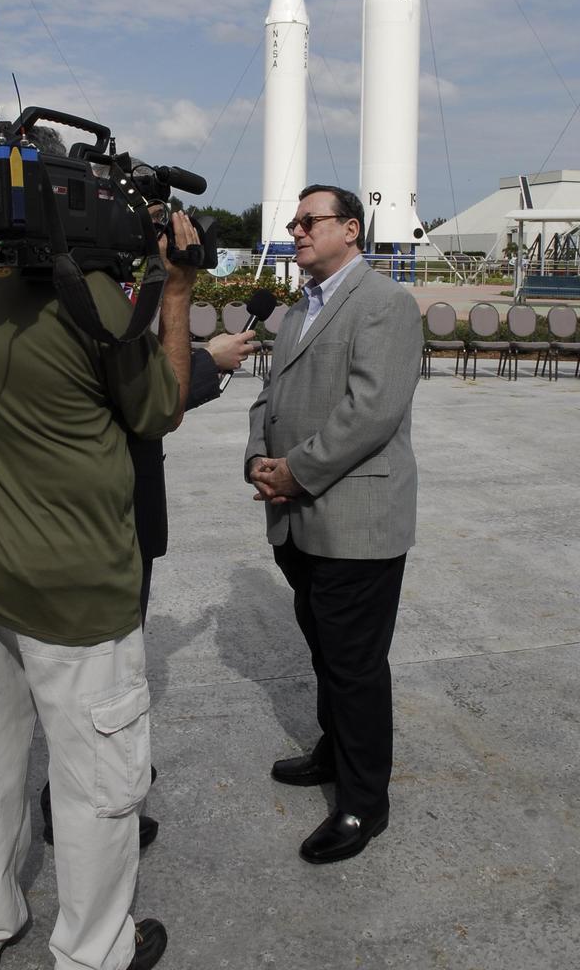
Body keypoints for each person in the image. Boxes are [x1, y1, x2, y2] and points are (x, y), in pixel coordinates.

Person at [0, 146, 201, 970]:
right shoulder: (102, 310)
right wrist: (174, 289)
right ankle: (93, 951)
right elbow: (164, 407)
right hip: (77, 594)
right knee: (96, 789)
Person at [245, 184, 422, 865]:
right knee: (324, 650)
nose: (294, 231)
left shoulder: (384, 303)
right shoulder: (299, 308)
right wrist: (257, 458)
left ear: (349, 229)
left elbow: (371, 411)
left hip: (355, 516)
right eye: (293, 222)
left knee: (353, 665)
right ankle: (333, 750)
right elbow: (269, 393)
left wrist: (296, 470)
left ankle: (362, 804)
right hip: (296, 514)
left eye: (307, 221)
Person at [40, 327, 256, 850]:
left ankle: (99, 784)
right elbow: (128, 399)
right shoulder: (74, 300)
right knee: (101, 677)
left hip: (106, 521)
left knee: (103, 671)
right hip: (107, 523)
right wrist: (206, 361)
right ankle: (88, 813)